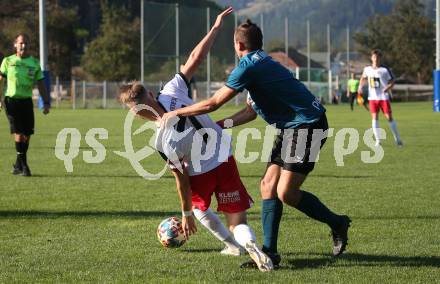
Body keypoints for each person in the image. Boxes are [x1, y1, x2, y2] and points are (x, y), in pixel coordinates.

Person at [160, 19, 351, 269]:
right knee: (267, 186)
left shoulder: (248, 67)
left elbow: (213, 102)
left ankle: (338, 223)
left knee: (286, 193)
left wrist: (177, 113)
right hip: (292, 127)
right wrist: (217, 126)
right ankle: (270, 253)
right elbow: (250, 112)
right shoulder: (261, 63)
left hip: (308, 126)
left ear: (238, 44)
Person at [119, 8, 273, 272]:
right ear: (149, 94)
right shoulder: (171, 90)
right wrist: (215, 28)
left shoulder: (161, 142)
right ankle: (249, 242)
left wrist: (186, 214)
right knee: (237, 219)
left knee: (201, 209)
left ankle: (232, 245)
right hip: (224, 155)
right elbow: (194, 58)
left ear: (136, 112)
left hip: (201, 170)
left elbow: (182, 182)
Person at [0, 33, 50, 176]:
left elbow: (40, 84)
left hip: (27, 102)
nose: (23, 45)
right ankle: (25, 166)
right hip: (12, 101)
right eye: (21, 43)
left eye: (26, 43)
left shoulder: (34, 63)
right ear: (15, 45)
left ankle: (17, 164)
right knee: (19, 132)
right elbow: (1, 81)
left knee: (27, 134)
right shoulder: (8, 61)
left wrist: (46, 102)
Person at [358, 49, 402, 146]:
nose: (376, 59)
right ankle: (378, 141)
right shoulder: (367, 69)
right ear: (371, 58)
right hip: (372, 98)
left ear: (380, 58)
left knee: (389, 117)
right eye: (374, 57)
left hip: (383, 97)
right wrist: (360, 87)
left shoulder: (385, 70)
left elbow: (392, 81)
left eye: (377, 57)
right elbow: (362, 78)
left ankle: (397, 139)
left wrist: (388, 87)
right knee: (374, 118)